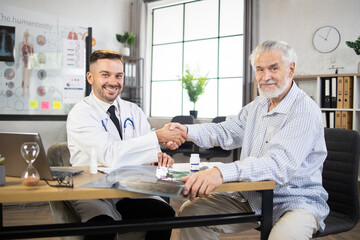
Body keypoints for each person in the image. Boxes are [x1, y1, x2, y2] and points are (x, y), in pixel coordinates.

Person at [169, 40, 329, 240]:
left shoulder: (304, 110)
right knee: (192, 212)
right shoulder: (259, 105)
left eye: (273, 68)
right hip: (252, 198)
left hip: (295, 202)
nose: (265, 77)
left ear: (291, 69)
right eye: (260, 69)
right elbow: (225, 132)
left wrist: (221, 172)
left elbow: (278, 165)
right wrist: (185, 130)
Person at [66, 49, 186, 240]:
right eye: (105, 75)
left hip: (129, 188)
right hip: (94, 190)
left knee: (164, 215)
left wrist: (158, 158)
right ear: (90, 77)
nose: (113, 82)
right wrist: (157, 137)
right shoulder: (81, 113)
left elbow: (150, 152)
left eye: (118, 75)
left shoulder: (134, 111)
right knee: (102, 227)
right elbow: (110, 155)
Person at [19, 30, 34, 97]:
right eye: (25, 35)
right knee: (23, 78)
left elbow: (33, 54)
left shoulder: (31, 45)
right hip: (23, 62)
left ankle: (28, 92)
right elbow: (19, 54)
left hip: (29, 62)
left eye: (27, 35)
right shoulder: (21, 44)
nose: (26, 37)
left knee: (28, 78)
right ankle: (23, 91)